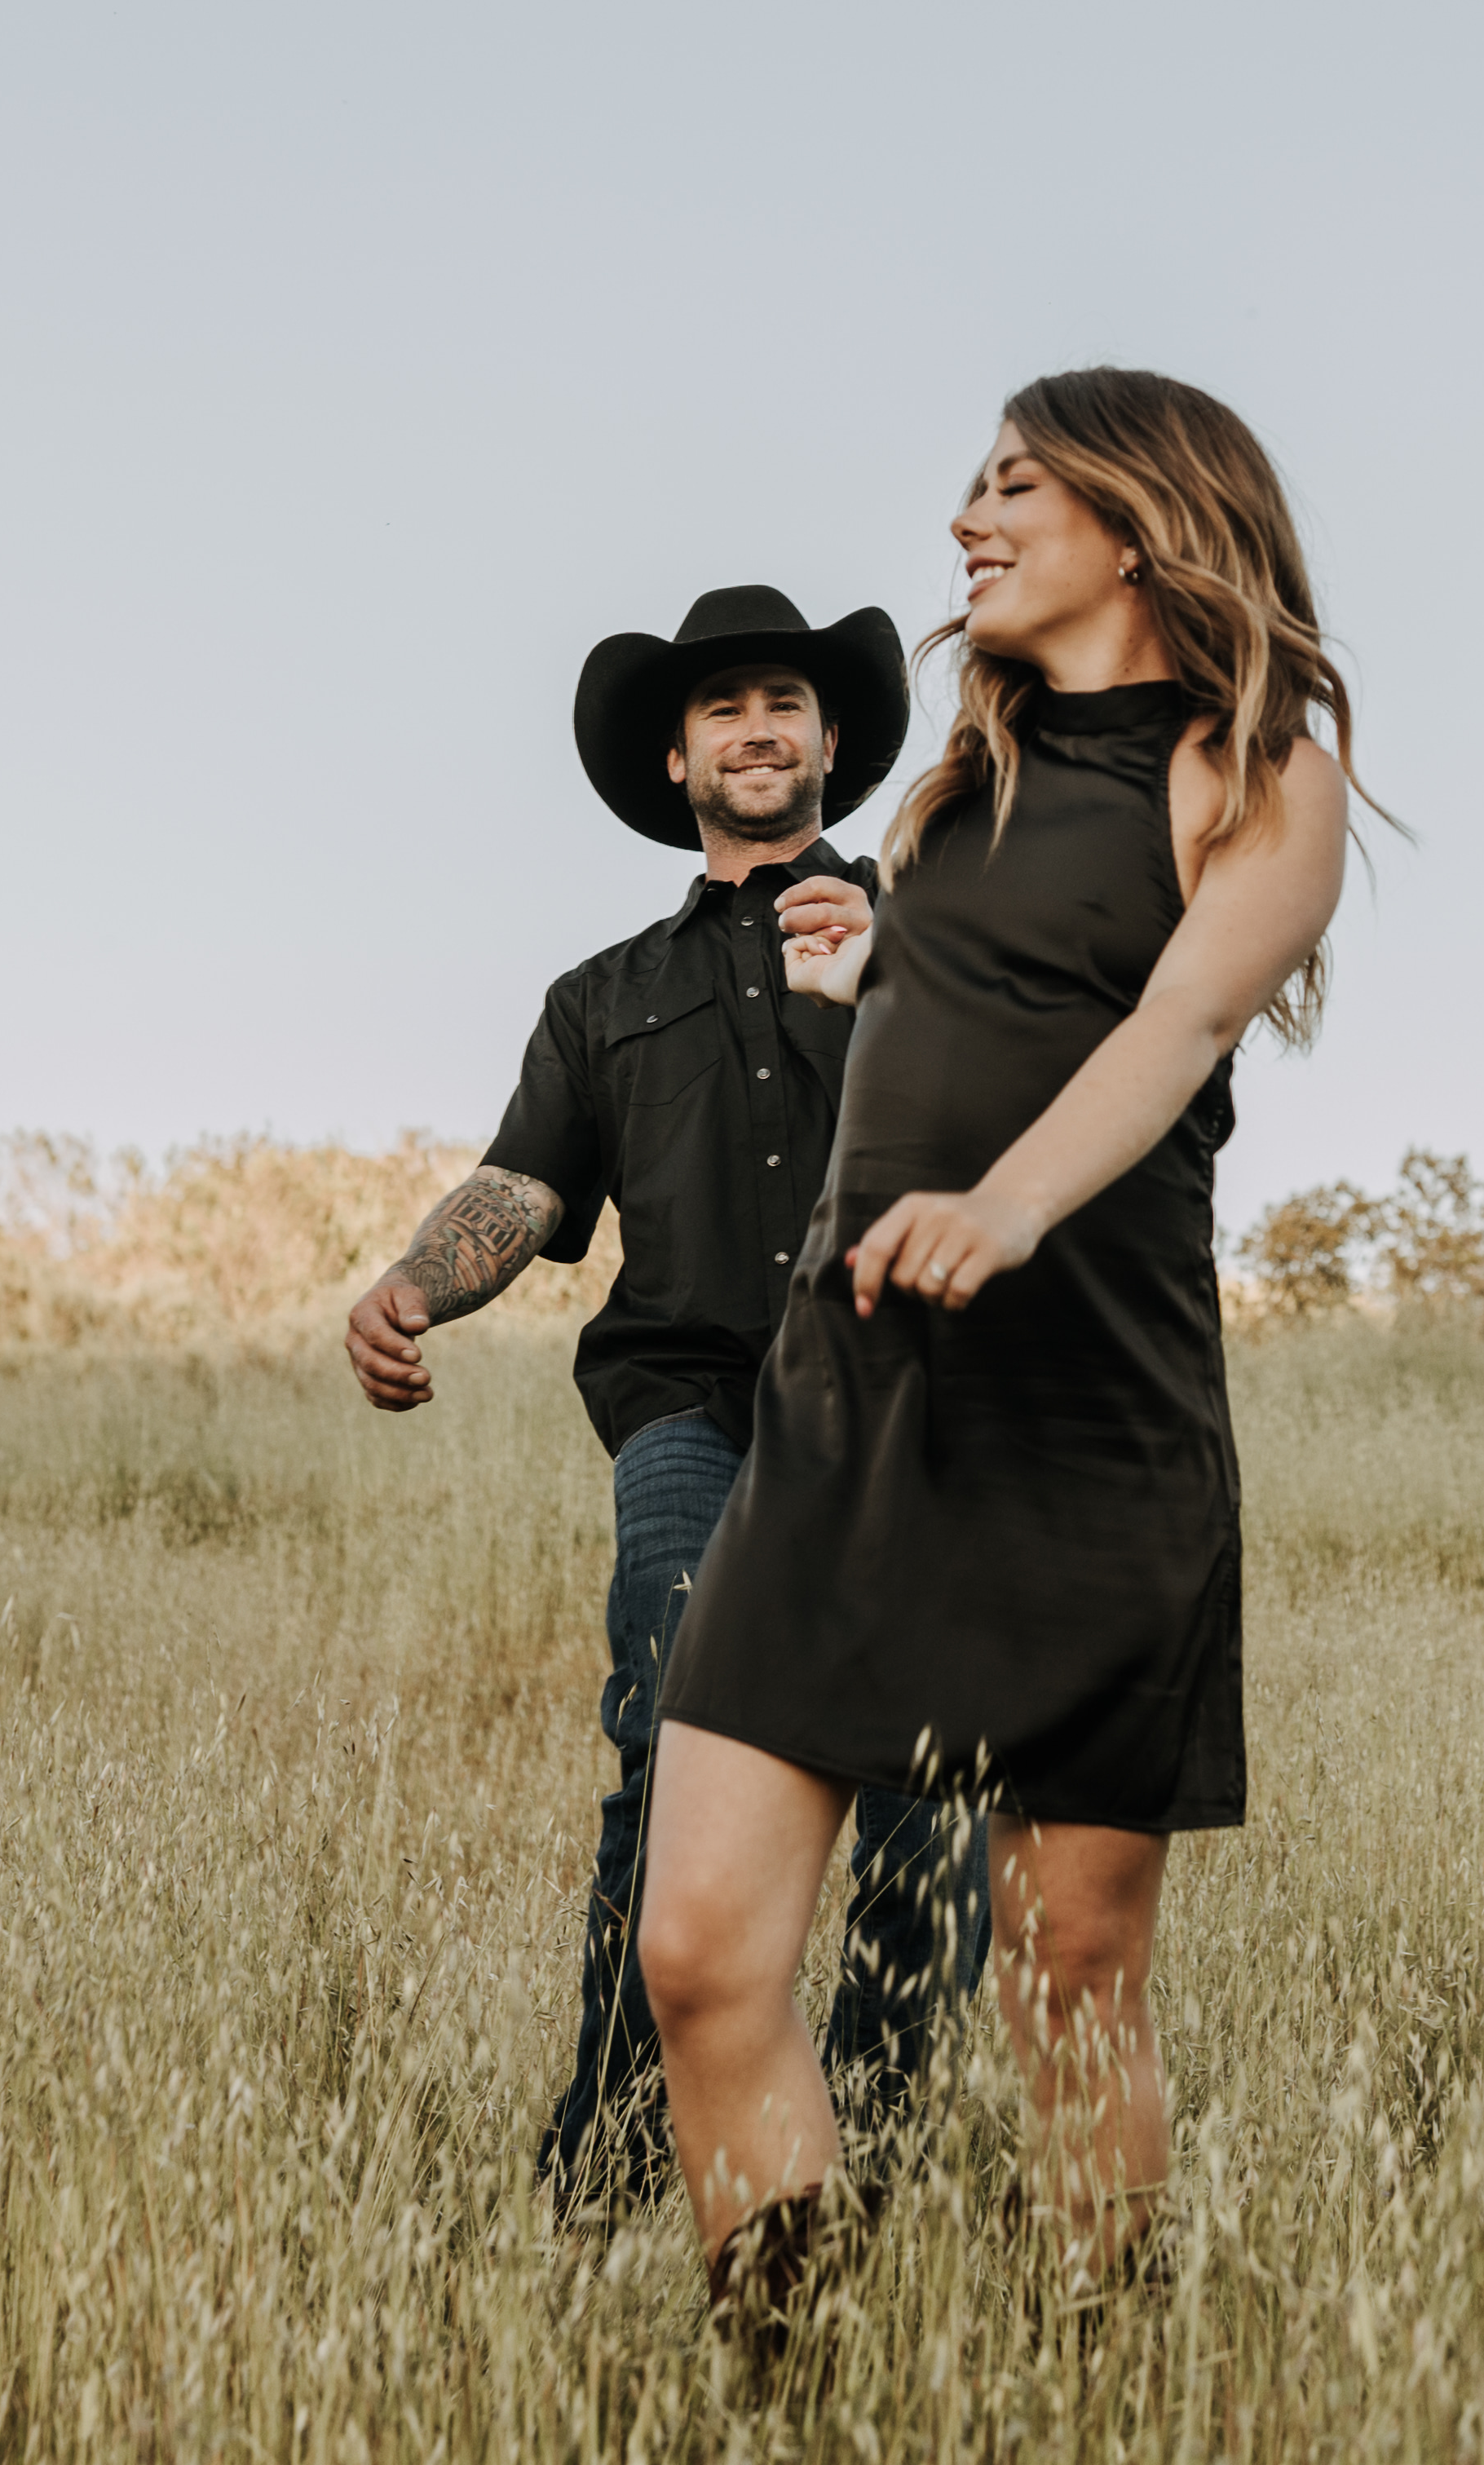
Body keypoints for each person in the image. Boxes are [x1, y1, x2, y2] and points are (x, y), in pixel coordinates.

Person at [632, 372, 1370, 2354]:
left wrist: (1013, 1203)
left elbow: (1174, 1026)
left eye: (1014, 483)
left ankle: (1105, 2374)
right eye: (971, 482)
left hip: (1088, 1418)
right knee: (698, 1954)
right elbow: (994, 1001)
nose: (968, 515)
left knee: (1070, 1964)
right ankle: (792, 2376)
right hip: (848, 1403)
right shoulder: (954, 788)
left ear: (1138, 521)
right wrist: (887, 981)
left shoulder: (1254, 771)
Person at [342, 586, 993, 2224]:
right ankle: (614, 2157)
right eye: (723, 711)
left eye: (784, 703)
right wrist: (415, 1283)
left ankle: (872, 2164)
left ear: (832, 741)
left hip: (915, 1408)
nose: (757, 730)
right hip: (691, 1412)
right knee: (671, 1758)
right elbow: (519, 1183)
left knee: (934, 1797)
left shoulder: (933, 937)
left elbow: (1027, 1134)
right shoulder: (603, 998)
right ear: (675, 757)